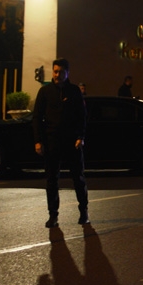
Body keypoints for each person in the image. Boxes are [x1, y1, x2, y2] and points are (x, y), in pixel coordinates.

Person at [33, 58, 89, 228]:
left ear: (67, 73)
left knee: (78, 178)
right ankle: (53, 216)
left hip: (72, 142)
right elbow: (37, 118)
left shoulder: (74, 91)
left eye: (61, 72)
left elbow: (82, 116)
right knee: (51, 180)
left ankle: (84, 212)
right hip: (52, 141)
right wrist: (38, 141)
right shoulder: (45, 92)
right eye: (55, 71)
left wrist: (81, 136)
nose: (58, 75)